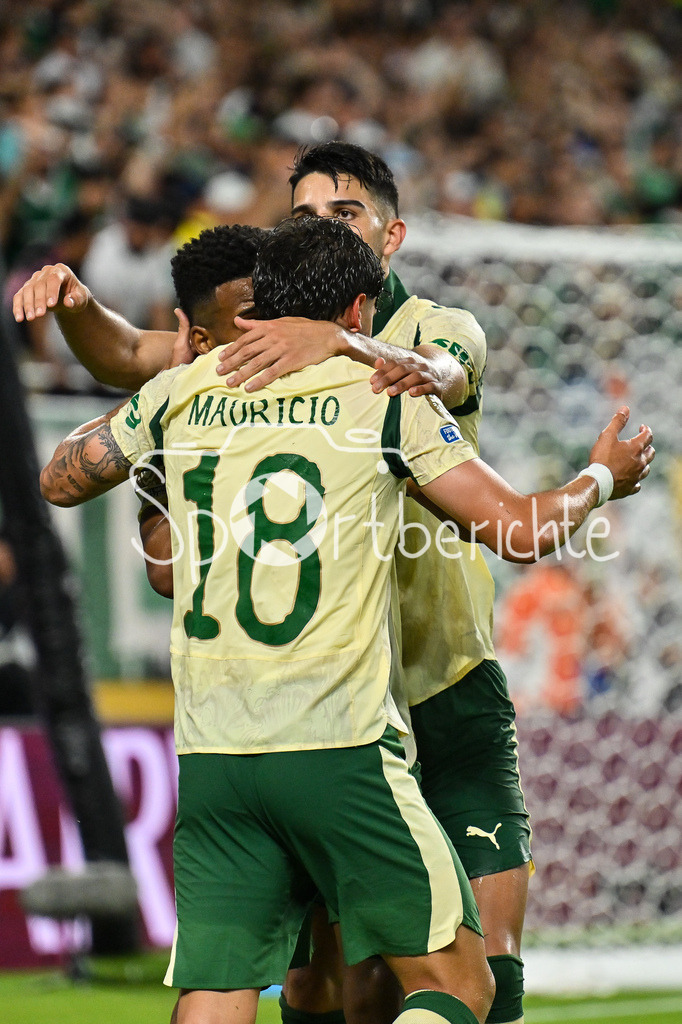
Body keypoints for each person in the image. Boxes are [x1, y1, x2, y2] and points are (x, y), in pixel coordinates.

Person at [40, 214, 653, 1024]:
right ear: (362, 312)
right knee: (460, 985)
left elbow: (59, 478)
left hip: (216, 751)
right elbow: (520, 528)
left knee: (218, 990)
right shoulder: (383, 397)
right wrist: (601, 478)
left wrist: (162, 456)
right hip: (339, 745)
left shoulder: (181, 392)